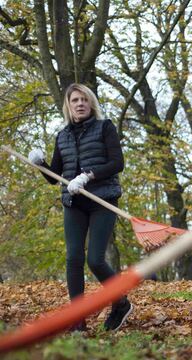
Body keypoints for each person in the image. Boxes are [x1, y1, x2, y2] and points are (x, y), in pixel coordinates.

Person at [28, 83, 133, 332]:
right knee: (73, 258)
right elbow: (55, 177)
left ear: (91, 103)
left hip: (102, 199)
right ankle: (78, 321)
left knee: (95, 259)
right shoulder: (62, 135)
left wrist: (88, 176)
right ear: (68, 105)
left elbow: (117, 163)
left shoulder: (104, 127)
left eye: (84, 99)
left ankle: (120, 303)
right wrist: (41, 164)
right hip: (73, 203)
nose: (80, 104)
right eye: (75, 100)